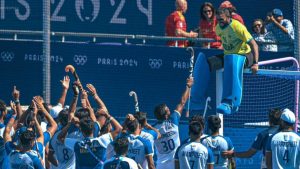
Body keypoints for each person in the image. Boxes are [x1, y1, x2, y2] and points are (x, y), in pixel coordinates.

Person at [189, 8, 259, 115]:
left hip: (245, 55)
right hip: (229, 55)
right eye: (217, 19)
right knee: (205, 63)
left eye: (221, 19)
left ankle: (230, 102)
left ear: (228, 17)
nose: (219, 21)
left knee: (231, 58)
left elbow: (254, 44)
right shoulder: (218, 28)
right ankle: (196, 100)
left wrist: (255, 63)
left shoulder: (238, 27)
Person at [153, 77, 193, 169]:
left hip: (161, 166)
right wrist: (188, 86)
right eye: (168, 109)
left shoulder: (153, 130)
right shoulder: (174, 120)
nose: (169, 109)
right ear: (166, 115)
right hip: (176, 165)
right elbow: (182, 102)